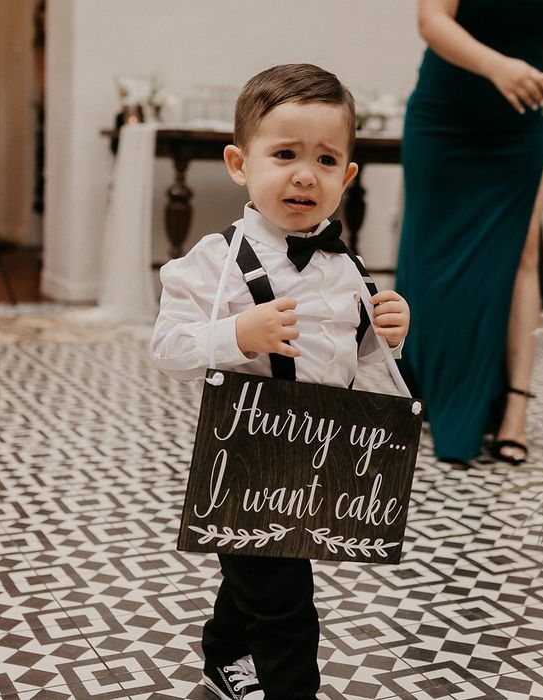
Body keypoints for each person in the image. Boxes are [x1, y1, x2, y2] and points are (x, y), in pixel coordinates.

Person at [150, 64, 410, 700]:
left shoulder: (349, 267)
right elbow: (168, 349)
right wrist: (237, 334)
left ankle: (222, 656)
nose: (304, 174)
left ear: (347, 176)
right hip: (242, 456)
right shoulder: (211, 264)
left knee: (260, 564)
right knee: (286, 602)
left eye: (326, 160)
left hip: (315, 454)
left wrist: (387, 335)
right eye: (285, 153)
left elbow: (358, 358)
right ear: (241, 164)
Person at [395, 0, 543, 464]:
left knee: (523, 254)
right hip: (444, 120)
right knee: (431, 260)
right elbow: (431, 22)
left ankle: (516, 410)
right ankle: (436, 384)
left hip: (520, 131)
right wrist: (498, 67)